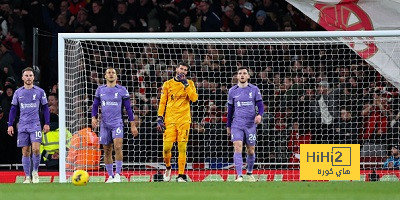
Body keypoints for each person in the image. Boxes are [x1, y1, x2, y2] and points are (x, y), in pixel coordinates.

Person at [92, 67, 138, 183]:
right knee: (107, 150)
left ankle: (118, 174)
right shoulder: (100, 90)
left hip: (117, 123)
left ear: (116, 76)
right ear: (105, 76)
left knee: (118, 147)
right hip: (104, 124)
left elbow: (128, 108)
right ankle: (110, 176)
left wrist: (133, 125)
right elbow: (95, 106)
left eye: (113, 73)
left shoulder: (122, 90)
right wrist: (94, 118)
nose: (111, 74)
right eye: (109, 73)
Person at [7, 67, 51, 183]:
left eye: (30, 75)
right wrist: (10, 124)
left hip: (35, 124)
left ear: (34, 77)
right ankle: (27, 176)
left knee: (36, 149)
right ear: (22, 78)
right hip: (22, 125)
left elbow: (46, 108)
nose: (28, 78)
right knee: (25, 151)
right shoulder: (18, 92)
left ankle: (35, 172)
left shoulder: (39, 91)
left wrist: (46, 123)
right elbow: (13, 109)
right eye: (26, 75)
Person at [157, 62, 198, 182]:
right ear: (176, 69)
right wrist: (160, 117)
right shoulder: (167, 84)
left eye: (185, 70)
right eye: (181, 68)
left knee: (182, 147)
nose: (183, 71)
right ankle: (168, 167)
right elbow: (162, 102)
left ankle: (181, 175)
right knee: (166, 148)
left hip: (184, 120)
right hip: (169, 120)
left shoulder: (189, 83)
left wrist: (186, 85)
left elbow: (194, 98)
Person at [227, 67, 264, 182]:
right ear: (237, 76)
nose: (242, 75)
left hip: (250, 125)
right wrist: (228, 125)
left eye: (244, 73)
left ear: (248, 76)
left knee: (251, 150)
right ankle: (239, 175)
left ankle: (249, 172)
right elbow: (230, 110)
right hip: (237, 124)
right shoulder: (232, 91)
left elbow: (261, 105)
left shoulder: (254, 89)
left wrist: (260, 115)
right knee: (237, 147)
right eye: (240, 73)